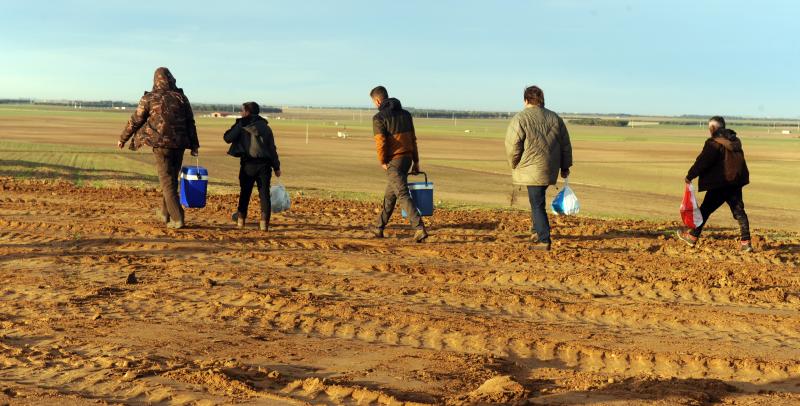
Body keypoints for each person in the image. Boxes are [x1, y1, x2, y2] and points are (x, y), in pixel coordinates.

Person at [118, 67, 199, 229]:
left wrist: (123, 138)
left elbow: (136, 120)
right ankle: (164, 213)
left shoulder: (149, 98)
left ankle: (177, 218)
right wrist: (194, 145)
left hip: (161, 145)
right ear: (171, 79)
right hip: (180, 144)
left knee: (167, 182)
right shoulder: (181, 97)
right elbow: (190, 122)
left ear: (155, 80)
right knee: (171, 180)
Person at [504, 85, 572, 251]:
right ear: (541, 99)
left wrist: (513, 163)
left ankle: (543, 239)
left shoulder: (520, 118)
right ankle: (535, 231)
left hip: (531, 167)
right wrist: (565, 166)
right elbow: (565, 145)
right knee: (537, 200)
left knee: (537, 204)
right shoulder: (555, 118)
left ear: (526, 100)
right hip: (550, 168)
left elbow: (513, 144)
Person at [676, 116, 752, 252]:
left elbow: (703, 161)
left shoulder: (713, 143)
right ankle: (746, 242)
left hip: (721, 183)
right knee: (739, 211)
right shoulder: (735, 141)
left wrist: (690, 175)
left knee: (705, 210)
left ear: (712, 128)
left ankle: (692, 237)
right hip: (735, 182)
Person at [369, 86, 428, 242]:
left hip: (394, 161)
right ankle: (378, 227)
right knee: (391, 194)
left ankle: (419, 228)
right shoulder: (406, 115)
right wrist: (416, 161)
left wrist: (383, 161)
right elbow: (413, 139)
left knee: (402, 194)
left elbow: (380, 143)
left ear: (377, 100)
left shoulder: (379, 118)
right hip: (407, 159)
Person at [223, 102, 281, 232]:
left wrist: (237, 125)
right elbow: (272, 149)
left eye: (242, 110)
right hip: (265, 166)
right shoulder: (266, 128)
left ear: (247, 112)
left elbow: (227, 138)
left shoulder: (242, 125)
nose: (241, 113)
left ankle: (241, 221)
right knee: (264, 194)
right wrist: (276, 167)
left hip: (248, 164)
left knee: (245, 193)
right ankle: (264, 224)